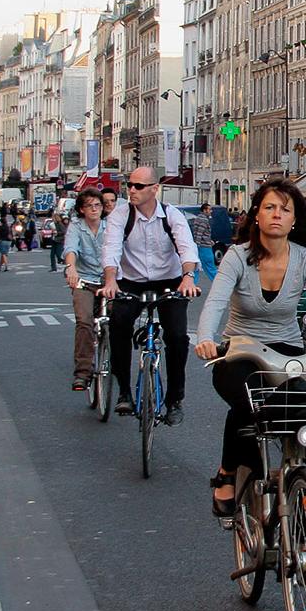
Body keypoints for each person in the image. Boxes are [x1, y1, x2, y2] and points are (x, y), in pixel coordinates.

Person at [194, 178, 306, 517]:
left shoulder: (304, 257)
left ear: (294, 220)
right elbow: (216, 301)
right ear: (257, 216)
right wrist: (206, 338)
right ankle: (228, 472)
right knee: (248, 405)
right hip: (241, 350)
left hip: (288, 350)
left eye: (285, 209)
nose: (277, 215)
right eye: (269, 207)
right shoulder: (237, 256)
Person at [99, 166, 201, 424]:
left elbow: (187, 248)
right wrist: (111, 280)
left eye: (138, 186)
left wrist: (188, 277)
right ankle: (124, 390)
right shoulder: (121, 215)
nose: (131, 190)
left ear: (155, 189)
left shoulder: (172, 215)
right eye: (129, 185)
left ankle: (175, 399)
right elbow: (111, 248)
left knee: (178, 336)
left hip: (170, 281)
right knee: (118, 324)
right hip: (131, 281)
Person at [63, 189, 107, 391]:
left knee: (120, 320)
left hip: (109, 280)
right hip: (85, 279)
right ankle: (83, 372)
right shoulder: (76, 226)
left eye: (97, 205)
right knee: (84, 321)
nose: (94, 209)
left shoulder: (110, 226)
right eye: (89, 205)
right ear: (82, 209)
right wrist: (71, 268)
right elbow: (71, 249)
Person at [191, 203, 218, 282]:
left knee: (195, 268)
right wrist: (198, 245)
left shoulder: (198, 218)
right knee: (211, 267)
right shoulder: (204, 220)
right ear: (204, 210)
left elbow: (198, 233)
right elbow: (200, 234)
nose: (211, 211)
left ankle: (192, 285)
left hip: (200, 246)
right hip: (204, 248)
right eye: (209, 209)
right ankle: (219, 283)